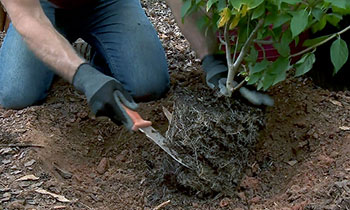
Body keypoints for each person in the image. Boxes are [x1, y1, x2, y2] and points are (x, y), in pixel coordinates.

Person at [0, 0, 271, 131]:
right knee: (17, 93)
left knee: (148, 84)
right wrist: (85, 77)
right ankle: (64, 56)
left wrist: (213, 62)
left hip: (107, 4)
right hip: (42, 10)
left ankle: (92, 53)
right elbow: (28, 18)